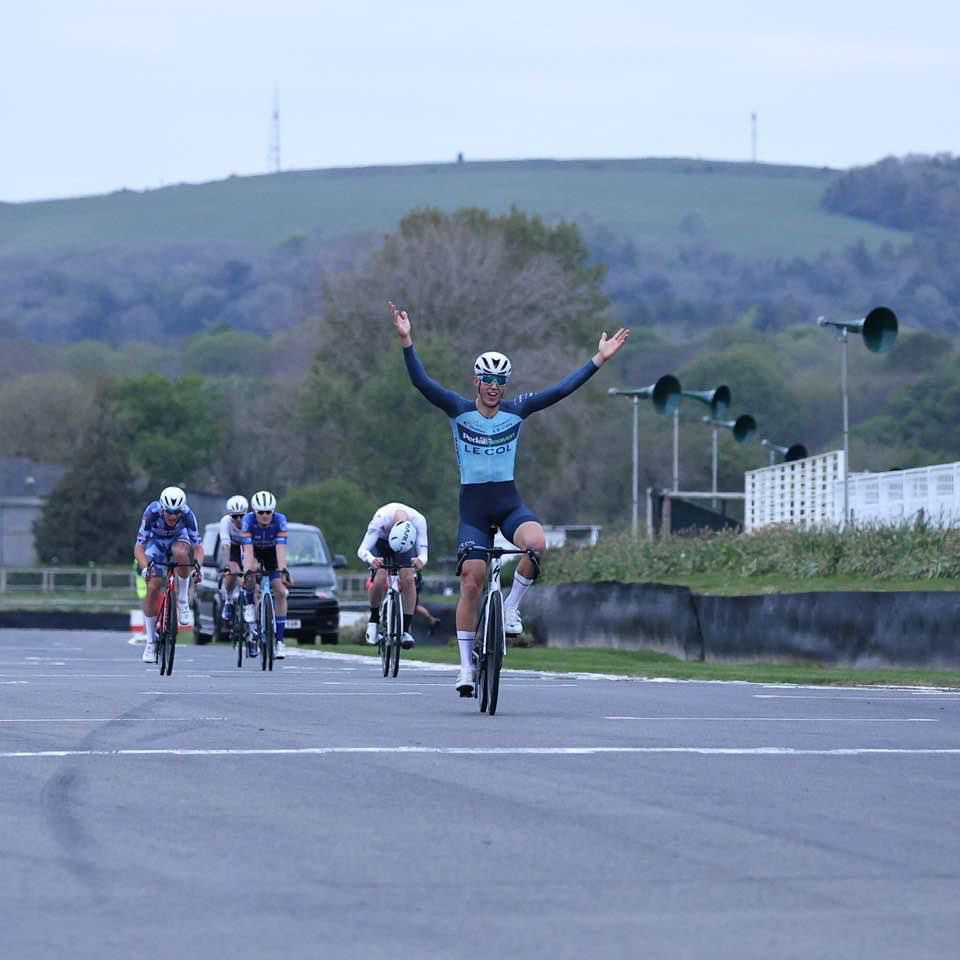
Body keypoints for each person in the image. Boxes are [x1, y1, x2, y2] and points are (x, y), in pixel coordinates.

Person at [390, 300, 629, 695]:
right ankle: (466, 668)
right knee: (472, 581)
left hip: (508, 503)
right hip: (473, 509)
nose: (493, 387)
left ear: (505, 386)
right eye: (487, 379)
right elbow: (422, 384)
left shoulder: (517, 411)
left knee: (536, 545)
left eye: (499, 381)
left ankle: (512, 607)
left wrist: (598, 360)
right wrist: (407, 340)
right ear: (476, 381)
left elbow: (561, 390)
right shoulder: (458, 410)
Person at [134, 485, 204, 664]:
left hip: (178, 540)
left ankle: (182, 601)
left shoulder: (188, 514)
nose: (173, 516)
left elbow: (198, 547)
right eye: (169, 513)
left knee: (182, 553)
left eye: (177, 513)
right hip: (156, 545)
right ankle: (150, 641)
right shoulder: (152, 511)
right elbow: (139, 546)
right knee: (153, 586)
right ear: (163, 509)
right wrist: (145, 568)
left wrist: (198, 567)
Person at [357, 503, 429, 650]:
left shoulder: (419, 521)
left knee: (408, 578)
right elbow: (362, 550)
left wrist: (420, 560)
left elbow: (423, 553)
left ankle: (406, 629)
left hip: (404, 547)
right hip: (381, 543)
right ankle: (374, 620)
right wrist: (372, 560)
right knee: (381, 575)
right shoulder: (380, 520)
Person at [240, 490, 293, 659]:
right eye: (260, 512)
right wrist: (248, 571)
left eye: (268, 512)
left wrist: (283, 570)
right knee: (250, 574)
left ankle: (279, 642)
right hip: (254, 552)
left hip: (271, 553)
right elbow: (247, 550)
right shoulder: (248, 521)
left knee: (280, 591)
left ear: (273, 511)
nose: (264, 515)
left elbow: (281, 549)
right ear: (254, 512)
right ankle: (249, 604)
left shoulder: (280, 520)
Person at [219, 494, 258, 657]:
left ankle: (253, 634)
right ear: (230, 515)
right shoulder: (225, 522)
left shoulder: (252, 521)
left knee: (250, 581)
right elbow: (226, 547)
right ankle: (228, 601)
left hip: (248, 548)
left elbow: (254, 550)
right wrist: (228, 566)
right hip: (234, 549)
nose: (238, 519)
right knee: (232, 573)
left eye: (241, 516)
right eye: (235, 516)